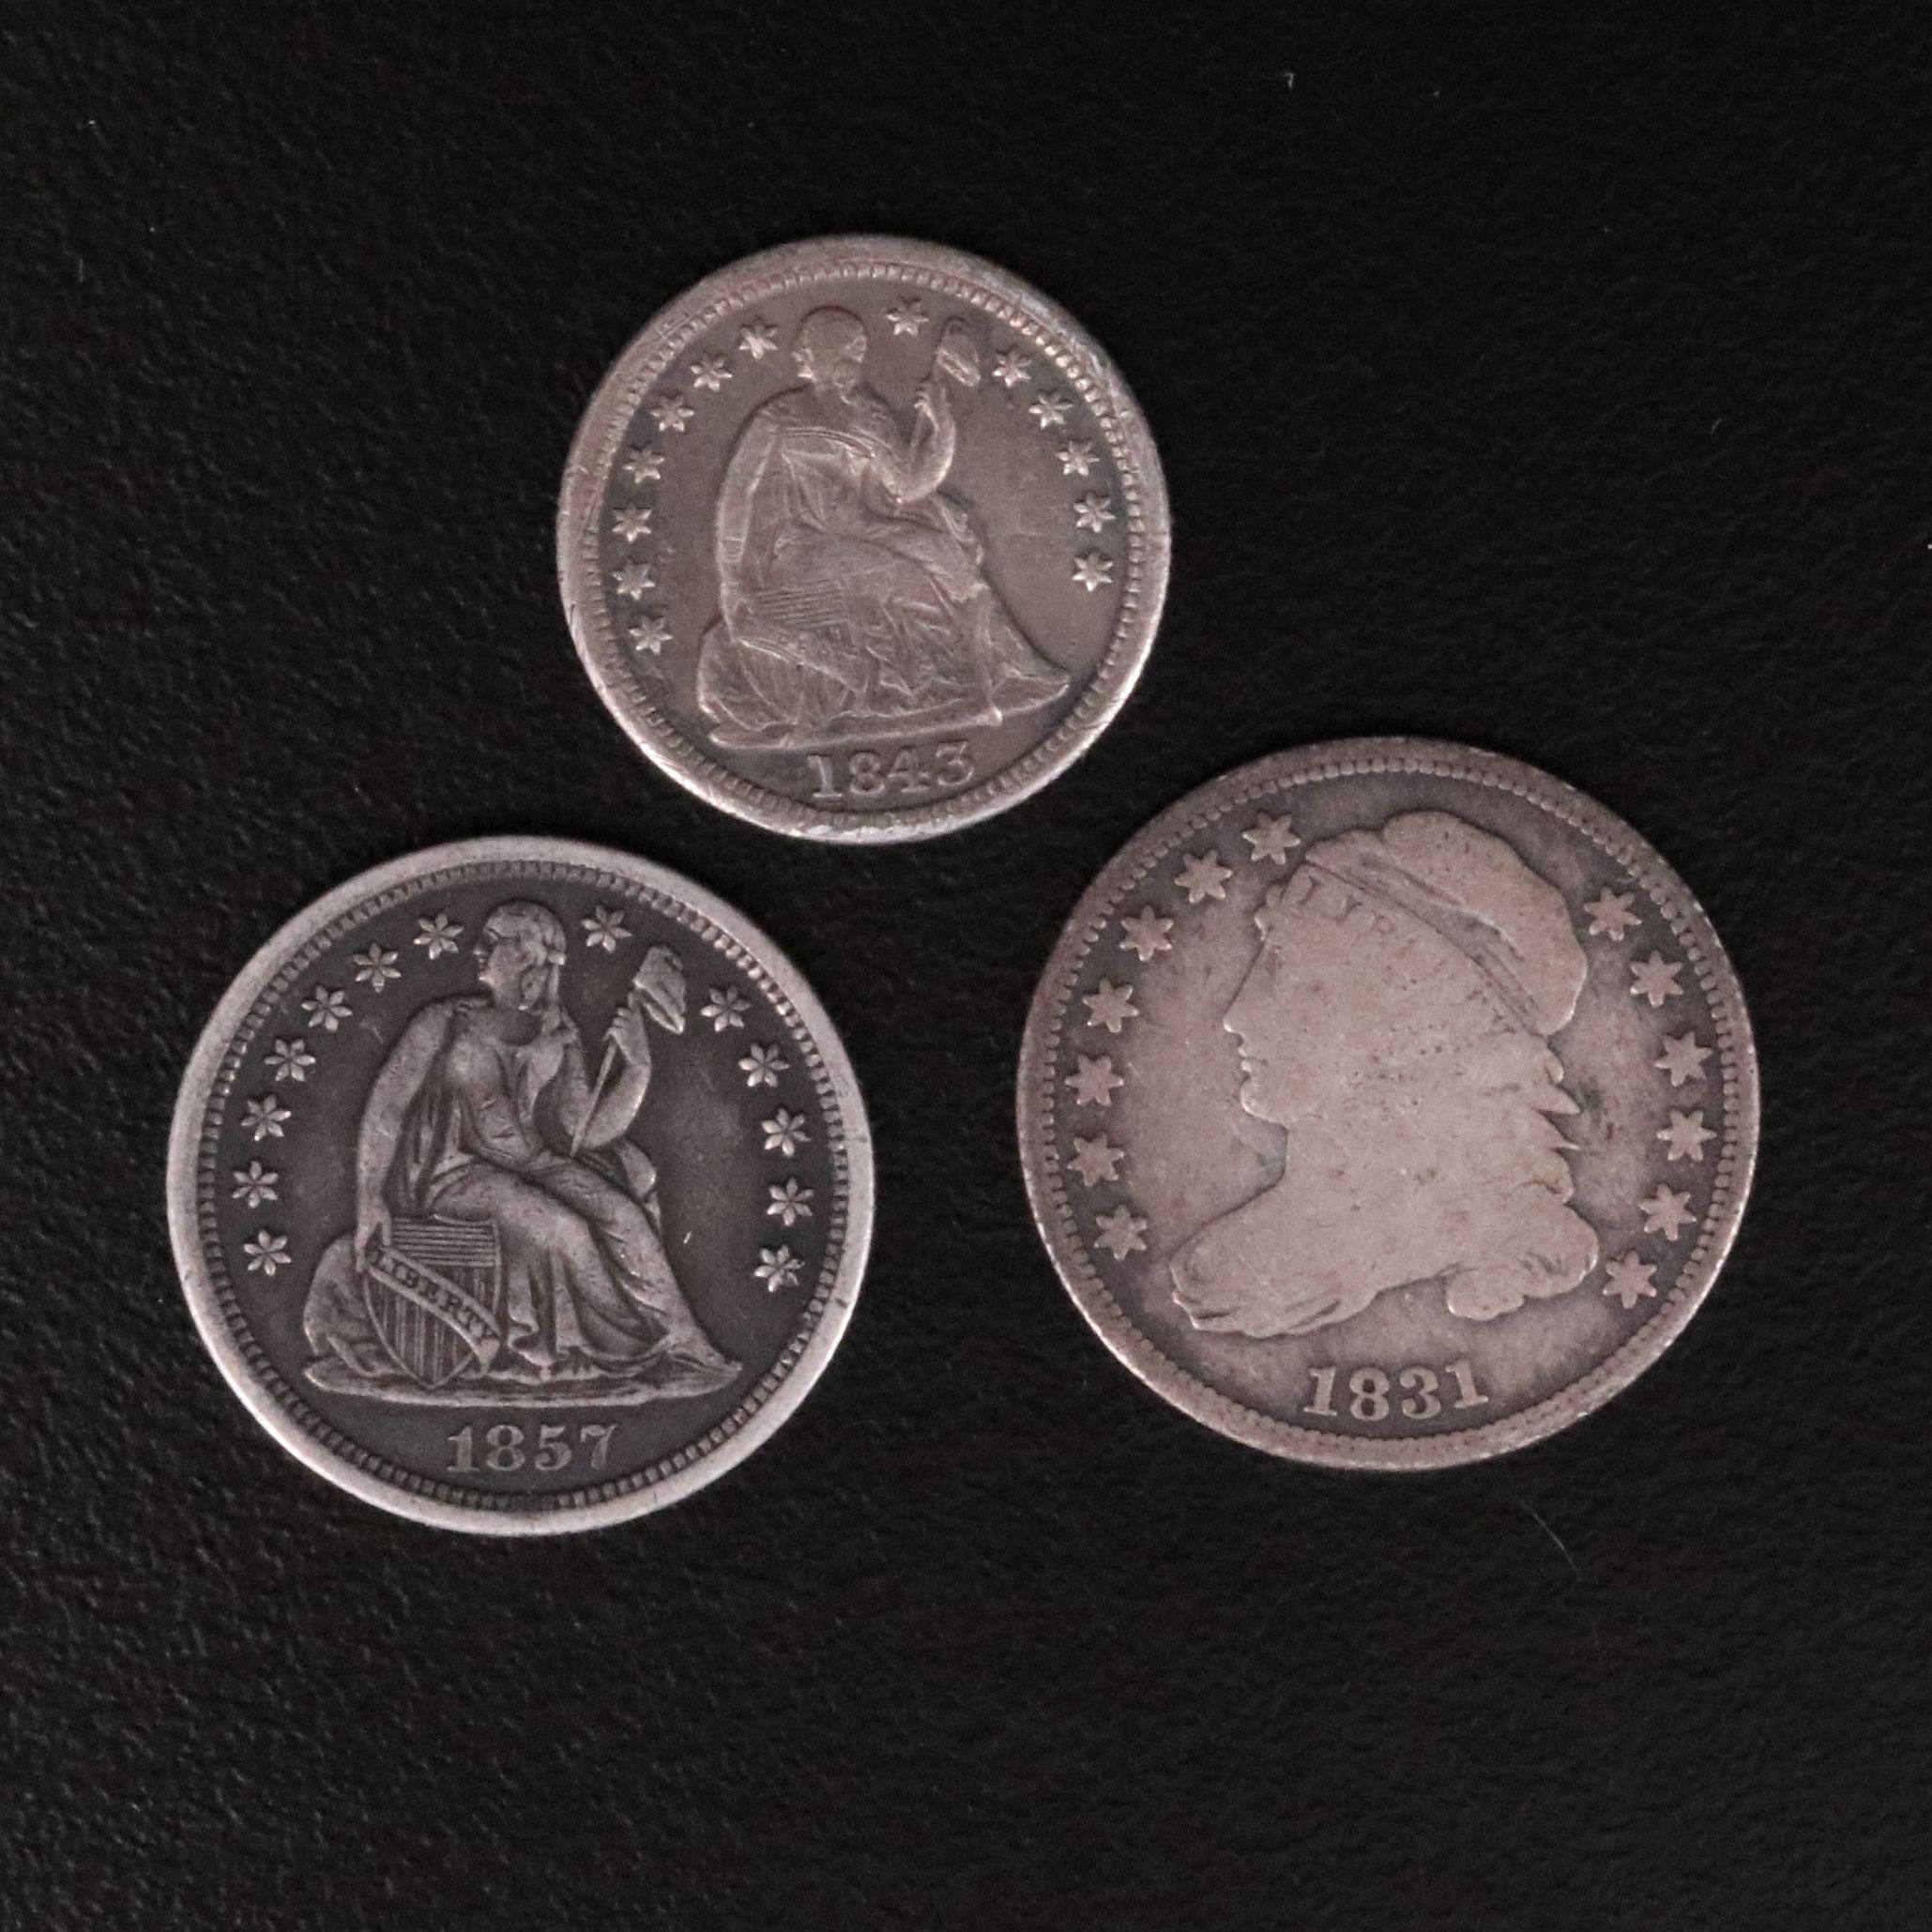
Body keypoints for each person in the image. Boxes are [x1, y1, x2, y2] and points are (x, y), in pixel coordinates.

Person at [1170, 813, 1599, 1338]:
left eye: (1293, 980)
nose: (1238, 1014)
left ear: (1418, 1028)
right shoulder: (1232, 1261)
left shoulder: (1507, 1240)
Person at [303, 901, 738, 1397]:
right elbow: (387, 1108)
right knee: (559, 1227)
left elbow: (587, 1129)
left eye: (495, 941)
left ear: (532, 956)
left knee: (623, 1214)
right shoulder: (443, 1022)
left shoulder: (559, 1032)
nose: (478, 949)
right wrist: (369, 1198)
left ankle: (683, 1344)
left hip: (533, 1163)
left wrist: (637, 1070)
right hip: (450, 1175)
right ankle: (615, 1351)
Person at [694, 305, 1069, 748]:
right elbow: (737, 497)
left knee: (946, 554)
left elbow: (909, 486)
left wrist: (940, 424)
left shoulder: (869, 415)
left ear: (832, 353)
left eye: (808, 347)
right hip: (804, 545)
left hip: (865, 529)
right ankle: (921, 687)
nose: (796, 355)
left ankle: (1012, 665)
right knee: (903, 576)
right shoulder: (780, 416)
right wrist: (732, 575)